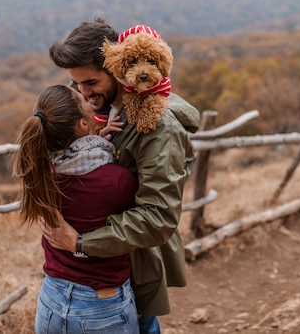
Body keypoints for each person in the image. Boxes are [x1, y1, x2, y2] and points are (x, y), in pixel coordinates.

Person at [42, 18, 200, 334]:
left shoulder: (157, 129)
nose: (83, 95)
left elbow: (158, 217)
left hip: (133, 266)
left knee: (141, 325)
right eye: (76, 84)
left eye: (90, 83)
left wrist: (82, 242)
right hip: (98, 269)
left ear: (117, 69)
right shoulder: (107, 111)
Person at [12, 84, 140, 334]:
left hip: (51, 299)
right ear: (83, 125)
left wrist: (94, 139)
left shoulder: (41, 171)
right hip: (101, 306)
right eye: (83, 98)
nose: (87, 95)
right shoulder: (117, 181)